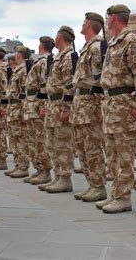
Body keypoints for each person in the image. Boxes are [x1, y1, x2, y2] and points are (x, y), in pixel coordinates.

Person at [96, 4, 136, 213]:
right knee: (112, 153)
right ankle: (116, 193)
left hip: (125, 104)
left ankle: (123, 197)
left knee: (124, 154)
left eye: (107, 18)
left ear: (114, 17)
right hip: (111, 105)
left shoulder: (130, 40)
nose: (106, 22)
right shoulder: (113, 43)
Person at [70, 12, 107, 202]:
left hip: (90, 104)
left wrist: (100, 107)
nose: (82, 24)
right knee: (82, 147)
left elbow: (99, 78)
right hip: (80, 105)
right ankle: (92, 184)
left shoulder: (95, 47)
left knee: (92, 147)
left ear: (90, 24)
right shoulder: (86, 48)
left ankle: (99, 186)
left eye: (84, 21)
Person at [41, 26, 77, 193]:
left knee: (62, 144)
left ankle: (65, 178)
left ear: (61, 37)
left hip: (60, 105)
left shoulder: (68, 56)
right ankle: (57, 175)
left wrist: (66, 108)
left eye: (56, 36)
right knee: (52, 144)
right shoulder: (58, 57)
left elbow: (69, 85)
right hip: (52, 105)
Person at [26, 36, 54, 185]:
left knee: (41, 140)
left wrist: (42, 106)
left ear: (41, 46)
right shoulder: (40, 61)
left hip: (38, 105)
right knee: (34, 140)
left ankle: (45, 171)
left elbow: (44, 85)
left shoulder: (44, 62)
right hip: (32, 105)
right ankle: (39, 169)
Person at [4, 46, 32, 178]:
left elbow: (25, 93)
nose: (14, 55)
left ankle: (23, 166)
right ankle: (18, 165)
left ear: (20, 54)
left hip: (19, 109)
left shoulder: (24, 69)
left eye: (16, 53)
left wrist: (23, 111)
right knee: (15, 139)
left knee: (21, 139)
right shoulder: (18, 69)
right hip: (13, 108)